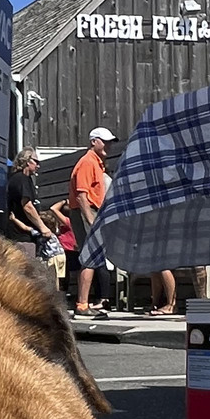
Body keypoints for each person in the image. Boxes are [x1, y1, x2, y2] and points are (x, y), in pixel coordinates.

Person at [71, 127, 113, 317]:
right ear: (94, 141)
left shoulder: (97, 163)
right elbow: (81, 195)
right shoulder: (88, 162)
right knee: (89, 258)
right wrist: (90, 219)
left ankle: (84, 303)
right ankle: (82, 304)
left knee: (91, 258)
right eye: (105, 141)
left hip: (90, 211)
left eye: (110, 141)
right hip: (86, 211)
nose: (109, 145)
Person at [0, 148, 57, 258]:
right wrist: (43, 227)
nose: (38, 166)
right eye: (36, 162)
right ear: (27, 161)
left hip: (26, 236)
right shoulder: (21, 179)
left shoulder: (26, 179)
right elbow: (27, 206)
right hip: (20, 237)